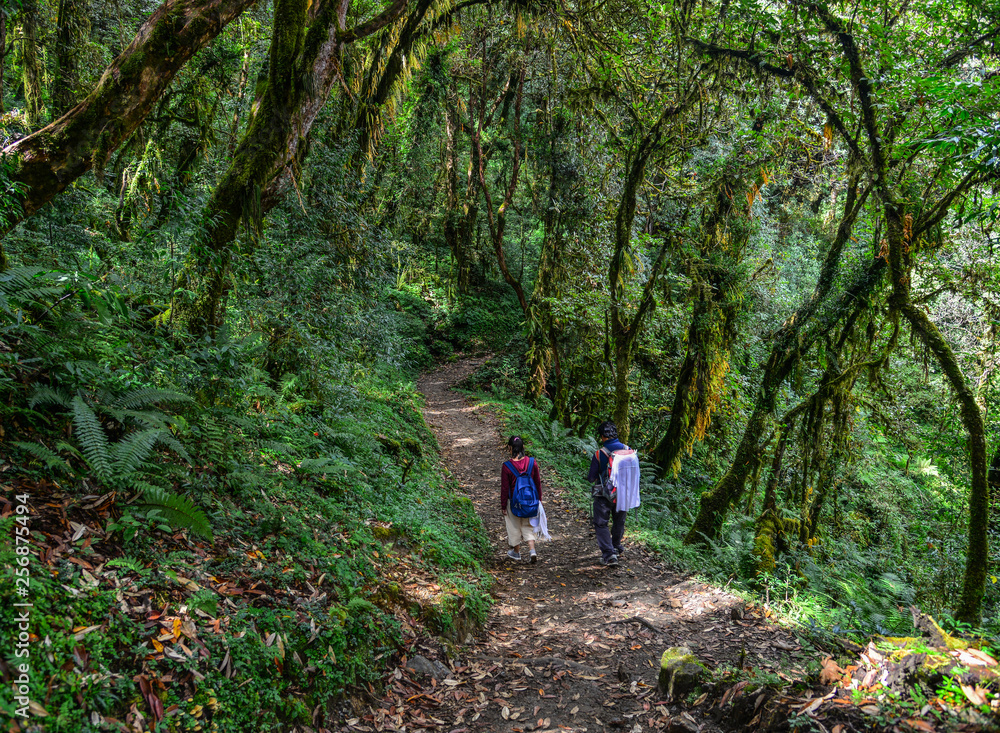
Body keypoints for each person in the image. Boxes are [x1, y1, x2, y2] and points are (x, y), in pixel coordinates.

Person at [586, 420, 633, 566]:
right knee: (619, 521)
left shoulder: (600, 454)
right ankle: (617, 547)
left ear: (602, 437)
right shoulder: (629, 450)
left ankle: (609, 554)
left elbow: (591, 477)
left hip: (604, 495)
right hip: (624, 493)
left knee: (601, 524)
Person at [501, 435, 542, 563]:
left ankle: (516, 552)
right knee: (528, 525)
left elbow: (504, 488)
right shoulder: (532, 462)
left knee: (513, 526)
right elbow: (537, 482)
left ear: (509, 448)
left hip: (514, 501)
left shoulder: (507, 466)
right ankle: (532, 550)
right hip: (530, 501)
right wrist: (539, 499)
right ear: (523, 447)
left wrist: (503, 505)